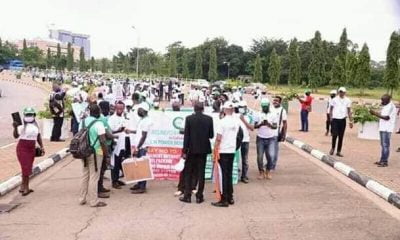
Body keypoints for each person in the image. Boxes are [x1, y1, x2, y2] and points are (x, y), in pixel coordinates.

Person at [179, 101, 214, 204]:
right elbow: (211, 135)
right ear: (203, 109)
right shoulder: (209, 119)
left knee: (188, 172)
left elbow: (187, 136)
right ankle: (199, 196)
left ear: (194, 109)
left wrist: (184, 151)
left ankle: (187, 196)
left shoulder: (189, 119)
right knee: (201, 172)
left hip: (191, 149)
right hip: (203, 149)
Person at [79, 104, 109, 207]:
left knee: (85, 175)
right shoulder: (98, 123)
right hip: (96, 152)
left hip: (84, 152)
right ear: (99, 112)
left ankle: (82, 198)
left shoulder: (82, 122)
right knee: (94, 177)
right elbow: (103, 141)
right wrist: (107, 154)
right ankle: (93, 201)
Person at [212, 101, 240, 207]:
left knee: (223, 175)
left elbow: (218, 138)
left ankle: (224, 199)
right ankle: (230, 197)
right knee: (228, 174)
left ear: (223, 110)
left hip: (222, 150)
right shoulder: (236, 122)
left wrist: (215, 150)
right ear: (232, 110)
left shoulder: (222, 122)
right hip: (231, 150)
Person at [13, 107, 44, 196]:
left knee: (27, 167)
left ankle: (22, 186)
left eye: (31, 114)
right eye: (27, 115)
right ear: (24, 115)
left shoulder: (36, 126)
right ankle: (26, 188)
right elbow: (15, 136)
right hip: (22, 149)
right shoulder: (21, 126)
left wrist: (42, 147)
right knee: (26, 168)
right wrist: (15, 127)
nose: (29, 116)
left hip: (31, 149)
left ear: (34, 115)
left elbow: (38, 137)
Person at [130, 103, 152, 194]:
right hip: (139, 145)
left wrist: (137, 148)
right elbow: (139, 132)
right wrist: (130, 131)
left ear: (144, 111)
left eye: (140, 110)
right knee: (138, 166)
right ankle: (139, 184)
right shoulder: (143, 120)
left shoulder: (147, 121)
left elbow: (143, 136)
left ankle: (142, 187)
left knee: (142, 166)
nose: (138, 112)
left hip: (142, 146)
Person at [370, 94, 396, 167]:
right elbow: (382, 114)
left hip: (387, 128)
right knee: (383, 145)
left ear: (388, 100)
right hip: (382, 127)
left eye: (383, 100)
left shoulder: (391, 106)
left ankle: (384, 162)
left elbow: (387, 117)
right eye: (382, 100)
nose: (382, 101)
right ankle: (382, 160)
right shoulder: (386, 106)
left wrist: (375, 114)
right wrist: (376, 112)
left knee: (385, 145)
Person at [255, 98, 278, 180]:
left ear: (268, 105)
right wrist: (261, 124)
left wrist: (269, 125)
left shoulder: (273, 114)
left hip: (271, 138)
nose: (264, 108)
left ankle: (268, 171)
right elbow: (254, 126)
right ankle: (261, 172)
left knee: (271, 156)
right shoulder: (258, 114)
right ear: (261, 106)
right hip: (260, 138)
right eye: (263, 106)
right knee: (260, 157)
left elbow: (275, 126)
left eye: (266, 106)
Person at [108, 101, 127, 189]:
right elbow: (109, 132)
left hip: (122, 143)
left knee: (120, 162)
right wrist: (119, 130)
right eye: (118, 108)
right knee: (114, 162)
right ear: (115, 108)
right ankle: (114, 181)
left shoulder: (124, 117)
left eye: (121, 108)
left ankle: (117, 179)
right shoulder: (112, 118)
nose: (120, 110)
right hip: (115, 144)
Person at [329, 87, 353, 157]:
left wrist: (351, 121)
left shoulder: (348, 100)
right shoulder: (334, 100)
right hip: (335, 119)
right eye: (340, 92)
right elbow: (331, 109)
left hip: (342, 120)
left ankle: (339, 151)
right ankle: (333, 148)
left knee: (341, 136)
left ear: (345, 93)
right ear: (338, 92)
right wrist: (330, 117)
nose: (341, 93)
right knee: (334, 134)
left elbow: (349, 111)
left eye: (343, 92)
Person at [237, 100, 254, 183]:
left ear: (246, 108)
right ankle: (234, 175)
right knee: (235, 159)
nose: (241, 109)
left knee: (245, 159)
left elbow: (252, 128)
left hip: (245, 140)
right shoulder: (234, 116)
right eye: (240, 107)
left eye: (242, 107)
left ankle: (244, 176)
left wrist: (243, 120)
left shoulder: (249, 116)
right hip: (236, 141)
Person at [271, 96, 287, 170]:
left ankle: (273, 165)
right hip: (268, 133)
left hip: (276, 133)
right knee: (268, 150)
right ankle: (269, 163)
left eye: (277, 100)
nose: (275, 102)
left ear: (280, 102)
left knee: (274, 150)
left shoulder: (282, 111)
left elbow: (285, 123)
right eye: (274, 100)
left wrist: (284, 134)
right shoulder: (270, 109)